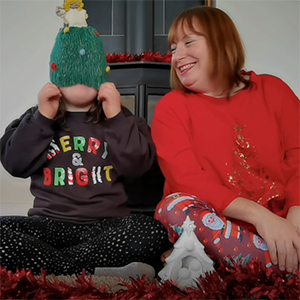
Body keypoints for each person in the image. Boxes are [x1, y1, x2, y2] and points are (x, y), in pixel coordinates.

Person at [0, 4, 169, 277]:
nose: (79, 79)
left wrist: (115, 116)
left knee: (151, 231)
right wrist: (43, 116)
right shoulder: (37, 117)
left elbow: (137, 166)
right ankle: (86, 270)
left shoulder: (120, 117)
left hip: (107, 225)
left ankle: (56, 270)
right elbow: (15, 163)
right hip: (48, 225)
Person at [151, 6, 300, 275]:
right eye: (173, 48)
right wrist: (260, 217)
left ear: (221, 41)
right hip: (225, 228)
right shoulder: (170, 107)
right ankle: (282, 264)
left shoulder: (274, 90)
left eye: (188, 42)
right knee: (172, 208)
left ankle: (223, 263)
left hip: (289, 221)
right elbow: (188, 180)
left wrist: (295, 219)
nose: (176, 56)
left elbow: (298, 156)